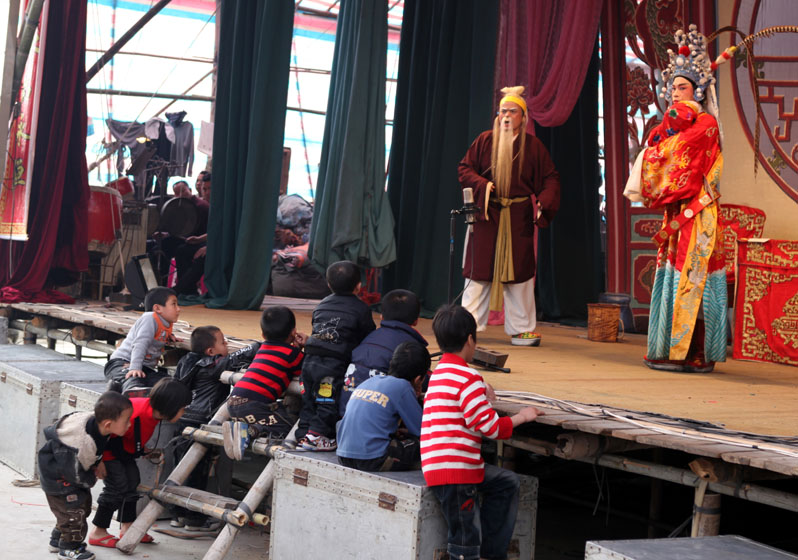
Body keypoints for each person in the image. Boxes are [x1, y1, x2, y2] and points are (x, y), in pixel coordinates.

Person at [625, 25, 726, 373]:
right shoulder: (670, 123)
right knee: (672, 278)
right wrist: (664, 133)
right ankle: (668, 349)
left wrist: (661, 142)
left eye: (682, 87)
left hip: (698, 212)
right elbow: (654, 144)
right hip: (676, 212)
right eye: (672, 88)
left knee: (695, 279)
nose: (675, 93)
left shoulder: (706, 124)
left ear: (697, 90)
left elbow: (675, 154)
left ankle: (696, 353)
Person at [421, 304, 543, 560]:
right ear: (470, 340)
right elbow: (491, 428)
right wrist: (523, 416)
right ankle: (480, 553)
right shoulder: (469, 378)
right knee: (464, 541)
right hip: (456, 472)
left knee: (507, 482)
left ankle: (490, 553)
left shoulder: (439, 373)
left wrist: (481, 387)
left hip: (441, 465)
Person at [458, 85, 560, 347]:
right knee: (478, 273)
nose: (506, 116)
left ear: (523, 117)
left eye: (512, 112)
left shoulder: (533, 147)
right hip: (487, 215)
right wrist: (484, 185)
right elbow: (465, 169)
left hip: (517, 217)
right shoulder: (484, 141)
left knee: (519, 275)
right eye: (502, 111)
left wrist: (544, 201)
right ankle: (468, 328)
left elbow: (550, 178)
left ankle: (521, 329)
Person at [171, 326, 259, 529]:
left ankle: (177, 514)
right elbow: (243, 354)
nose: (227, 345)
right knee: (197, 472)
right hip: (202, 422)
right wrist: (260, 345)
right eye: (223, 342)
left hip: (182, 419)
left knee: (179, 469)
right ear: (211, 351)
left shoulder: (185, 360)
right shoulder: (213, 364)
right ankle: (194, 519)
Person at [88, 377, 192, 548]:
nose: (184, 413)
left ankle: (128, 527)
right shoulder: (135, 413)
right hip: (108, 452)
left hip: (124, 453)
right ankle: (98, 531)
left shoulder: (153, 414)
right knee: (117, 487)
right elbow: (101, 433)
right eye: (182, 409)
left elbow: (135, 434)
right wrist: (99, 461)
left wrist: (141, 448)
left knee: (133, 483)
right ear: (171, 407)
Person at [38, 392, 133, 560]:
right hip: (60, 481)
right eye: (126, 421)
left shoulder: (100, 428)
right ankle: (69, 548)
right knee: (75, 514)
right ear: (108, 424)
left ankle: (57, 540)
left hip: (69, 475)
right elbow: (74, 474)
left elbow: (97, 451)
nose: (130, 424)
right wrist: (91, 477)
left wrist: (98, 462)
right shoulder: (79, 445)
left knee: (76, 510)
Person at [295, 260, 376, 451]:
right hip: (332, 366)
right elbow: (368, 336)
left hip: (309, 361)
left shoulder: (322, 305)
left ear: (329, 284)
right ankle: (316, 437)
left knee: (309, 401)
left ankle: (303, 435)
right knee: (327, 402)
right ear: (358, 286)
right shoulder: (361, 309)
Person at [222, 306, 307, 460]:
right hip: (254, 405)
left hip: (233, 401)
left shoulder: (262, 348)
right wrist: (304, 348)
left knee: (277, 415)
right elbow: (306, 369)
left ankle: (242, 428)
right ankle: (249, 431)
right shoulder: (292, 354)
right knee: (288, 426)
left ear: (262, 334)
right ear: (294, 332)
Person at [337, 342, 428, 472]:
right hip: (373, 459)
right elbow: (423, 430)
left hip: (343, 455)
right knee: (425, 445)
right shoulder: (403, 387)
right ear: (419, 379)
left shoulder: (369, 381)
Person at [339, 289, 428, 415]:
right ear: (416, 320)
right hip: (378, 420)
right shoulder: (411, 348)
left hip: (344, 415)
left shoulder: (368, 338)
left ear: (381, 316)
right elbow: (422, 382)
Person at [104, 287, 179, 396]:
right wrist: (134, 367)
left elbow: (158, 334)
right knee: (131, 378)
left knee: (167, 382)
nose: (178, 309)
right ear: (157, 308)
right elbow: (140, 344)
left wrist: (169, 336)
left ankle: (121, 386)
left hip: (145, 369)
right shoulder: (150, 319)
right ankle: (130, 389)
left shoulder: (166, 323)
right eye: (174, 304)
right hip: (122, 363)